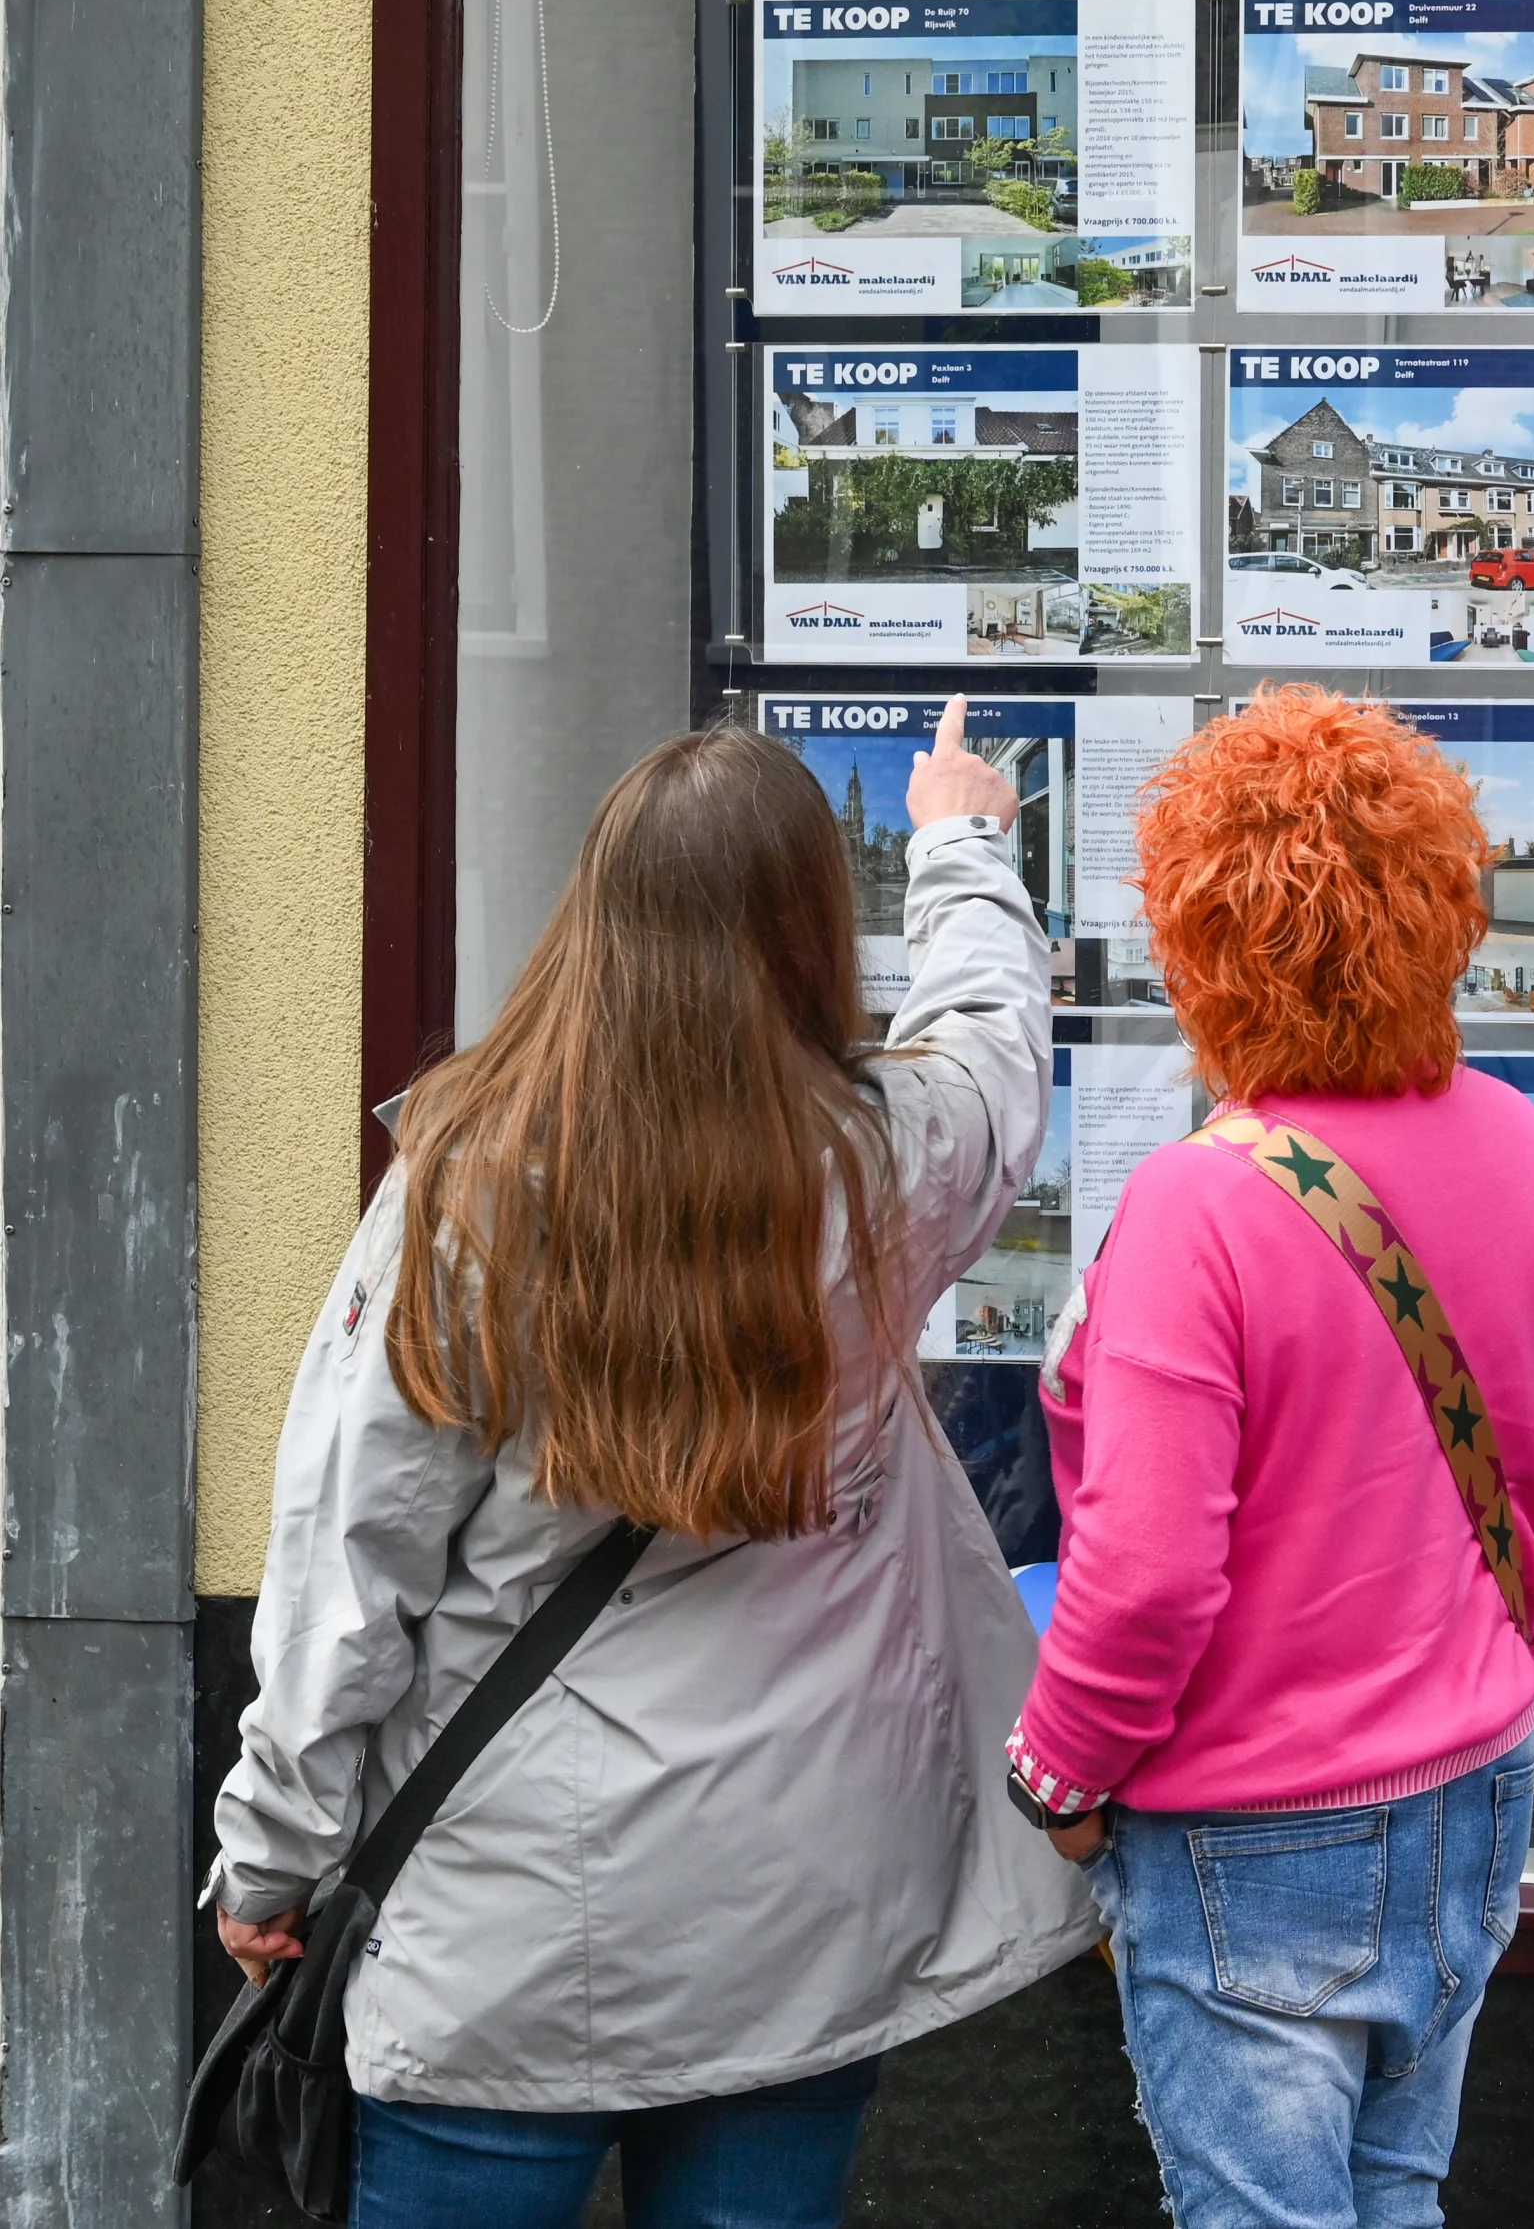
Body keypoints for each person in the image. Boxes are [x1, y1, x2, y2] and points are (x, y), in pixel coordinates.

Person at [207, 701, 1099, 2228]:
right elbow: (996, 1040)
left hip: (505, 1938)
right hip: (796, 1918)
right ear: (817, 930)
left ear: (596, 914)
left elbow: (345, 1560)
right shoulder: (891, 1164)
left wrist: (271, 1851)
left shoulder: (467, 1191)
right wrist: (958, 842)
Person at [1004, 682, 1534, 2229]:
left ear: (1201, 937)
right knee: (1394, 2198)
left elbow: (1150, 1565)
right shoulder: (1526, 1144)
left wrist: (1058, 1768)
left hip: (1251, 1829)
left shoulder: (1195, 1205)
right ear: (1444, 906)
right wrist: (1493, 1642)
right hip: (1472, 1787)